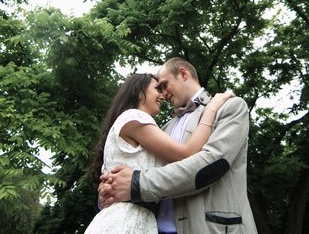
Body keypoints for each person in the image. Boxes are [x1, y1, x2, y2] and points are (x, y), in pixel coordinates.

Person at [99, 57, 258, 234]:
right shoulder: (163, 128)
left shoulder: (230, 107)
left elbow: (212, 164)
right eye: (158, 88)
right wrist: (109, 191)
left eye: (165, 85)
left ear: (183, 73)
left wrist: (136, 184)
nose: (163, 93)